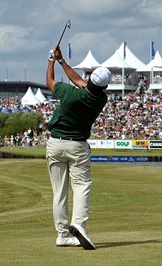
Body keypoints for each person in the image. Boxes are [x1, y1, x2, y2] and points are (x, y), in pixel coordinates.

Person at [45, 46, 112, 250]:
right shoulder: (100, 99)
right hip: (78, 146)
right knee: (81, 186)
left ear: (90, 79)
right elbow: (79, 81)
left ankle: (62, 235)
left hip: (55, 143)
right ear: (104, 87)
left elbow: (50, 82)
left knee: (59, 192)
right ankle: (79, 225)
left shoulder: (68, 92)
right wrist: (62, 61)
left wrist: (51, 60)